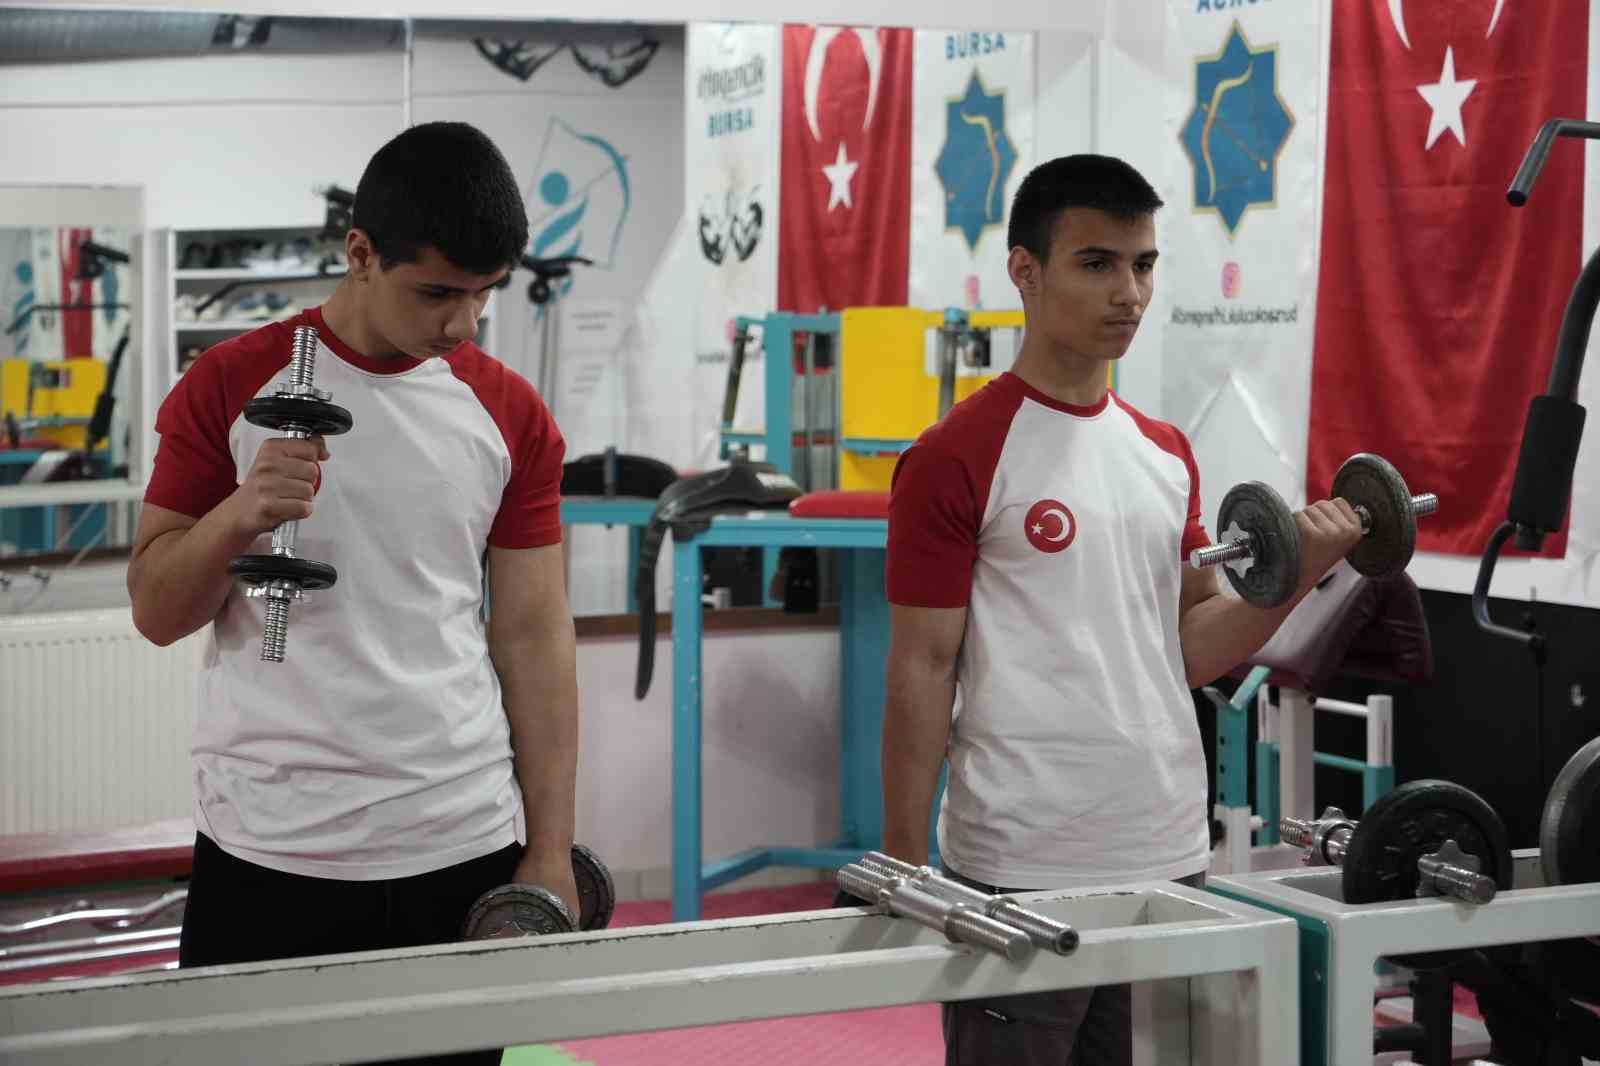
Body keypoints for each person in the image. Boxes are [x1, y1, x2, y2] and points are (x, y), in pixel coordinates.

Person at [878, 154, 1364, 1065]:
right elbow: (921, 667)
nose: (1129, 293)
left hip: (1165, 846)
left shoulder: (1165, 451)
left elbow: (1190, 648)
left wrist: (1296, 572)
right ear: (1025, 271)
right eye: (1097, 263)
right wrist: (904, 867)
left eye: (1143, 265)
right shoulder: (954, 455)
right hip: (1020, 860)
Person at [127, 121, 578, 1066]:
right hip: (268, 843)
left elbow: (535, 639)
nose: (463, 324)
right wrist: (238, 516)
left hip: (458, 840)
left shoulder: (510, 413)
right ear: (361, 253)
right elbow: (157, 612)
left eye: (484, 294)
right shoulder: (228, 384)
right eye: (438, 293)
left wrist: (549, 848)